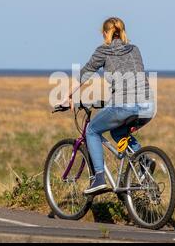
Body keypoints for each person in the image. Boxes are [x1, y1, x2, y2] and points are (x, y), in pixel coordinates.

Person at [66, 17, 155, 194]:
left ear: (105, 33)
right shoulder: (135, 49)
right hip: (148, 106)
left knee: (92, 130)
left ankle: (99, 178)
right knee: (117, 131)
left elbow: (86, 72)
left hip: (125, 104)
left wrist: (68, 95)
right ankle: (143, 162)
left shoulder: (104, 50)